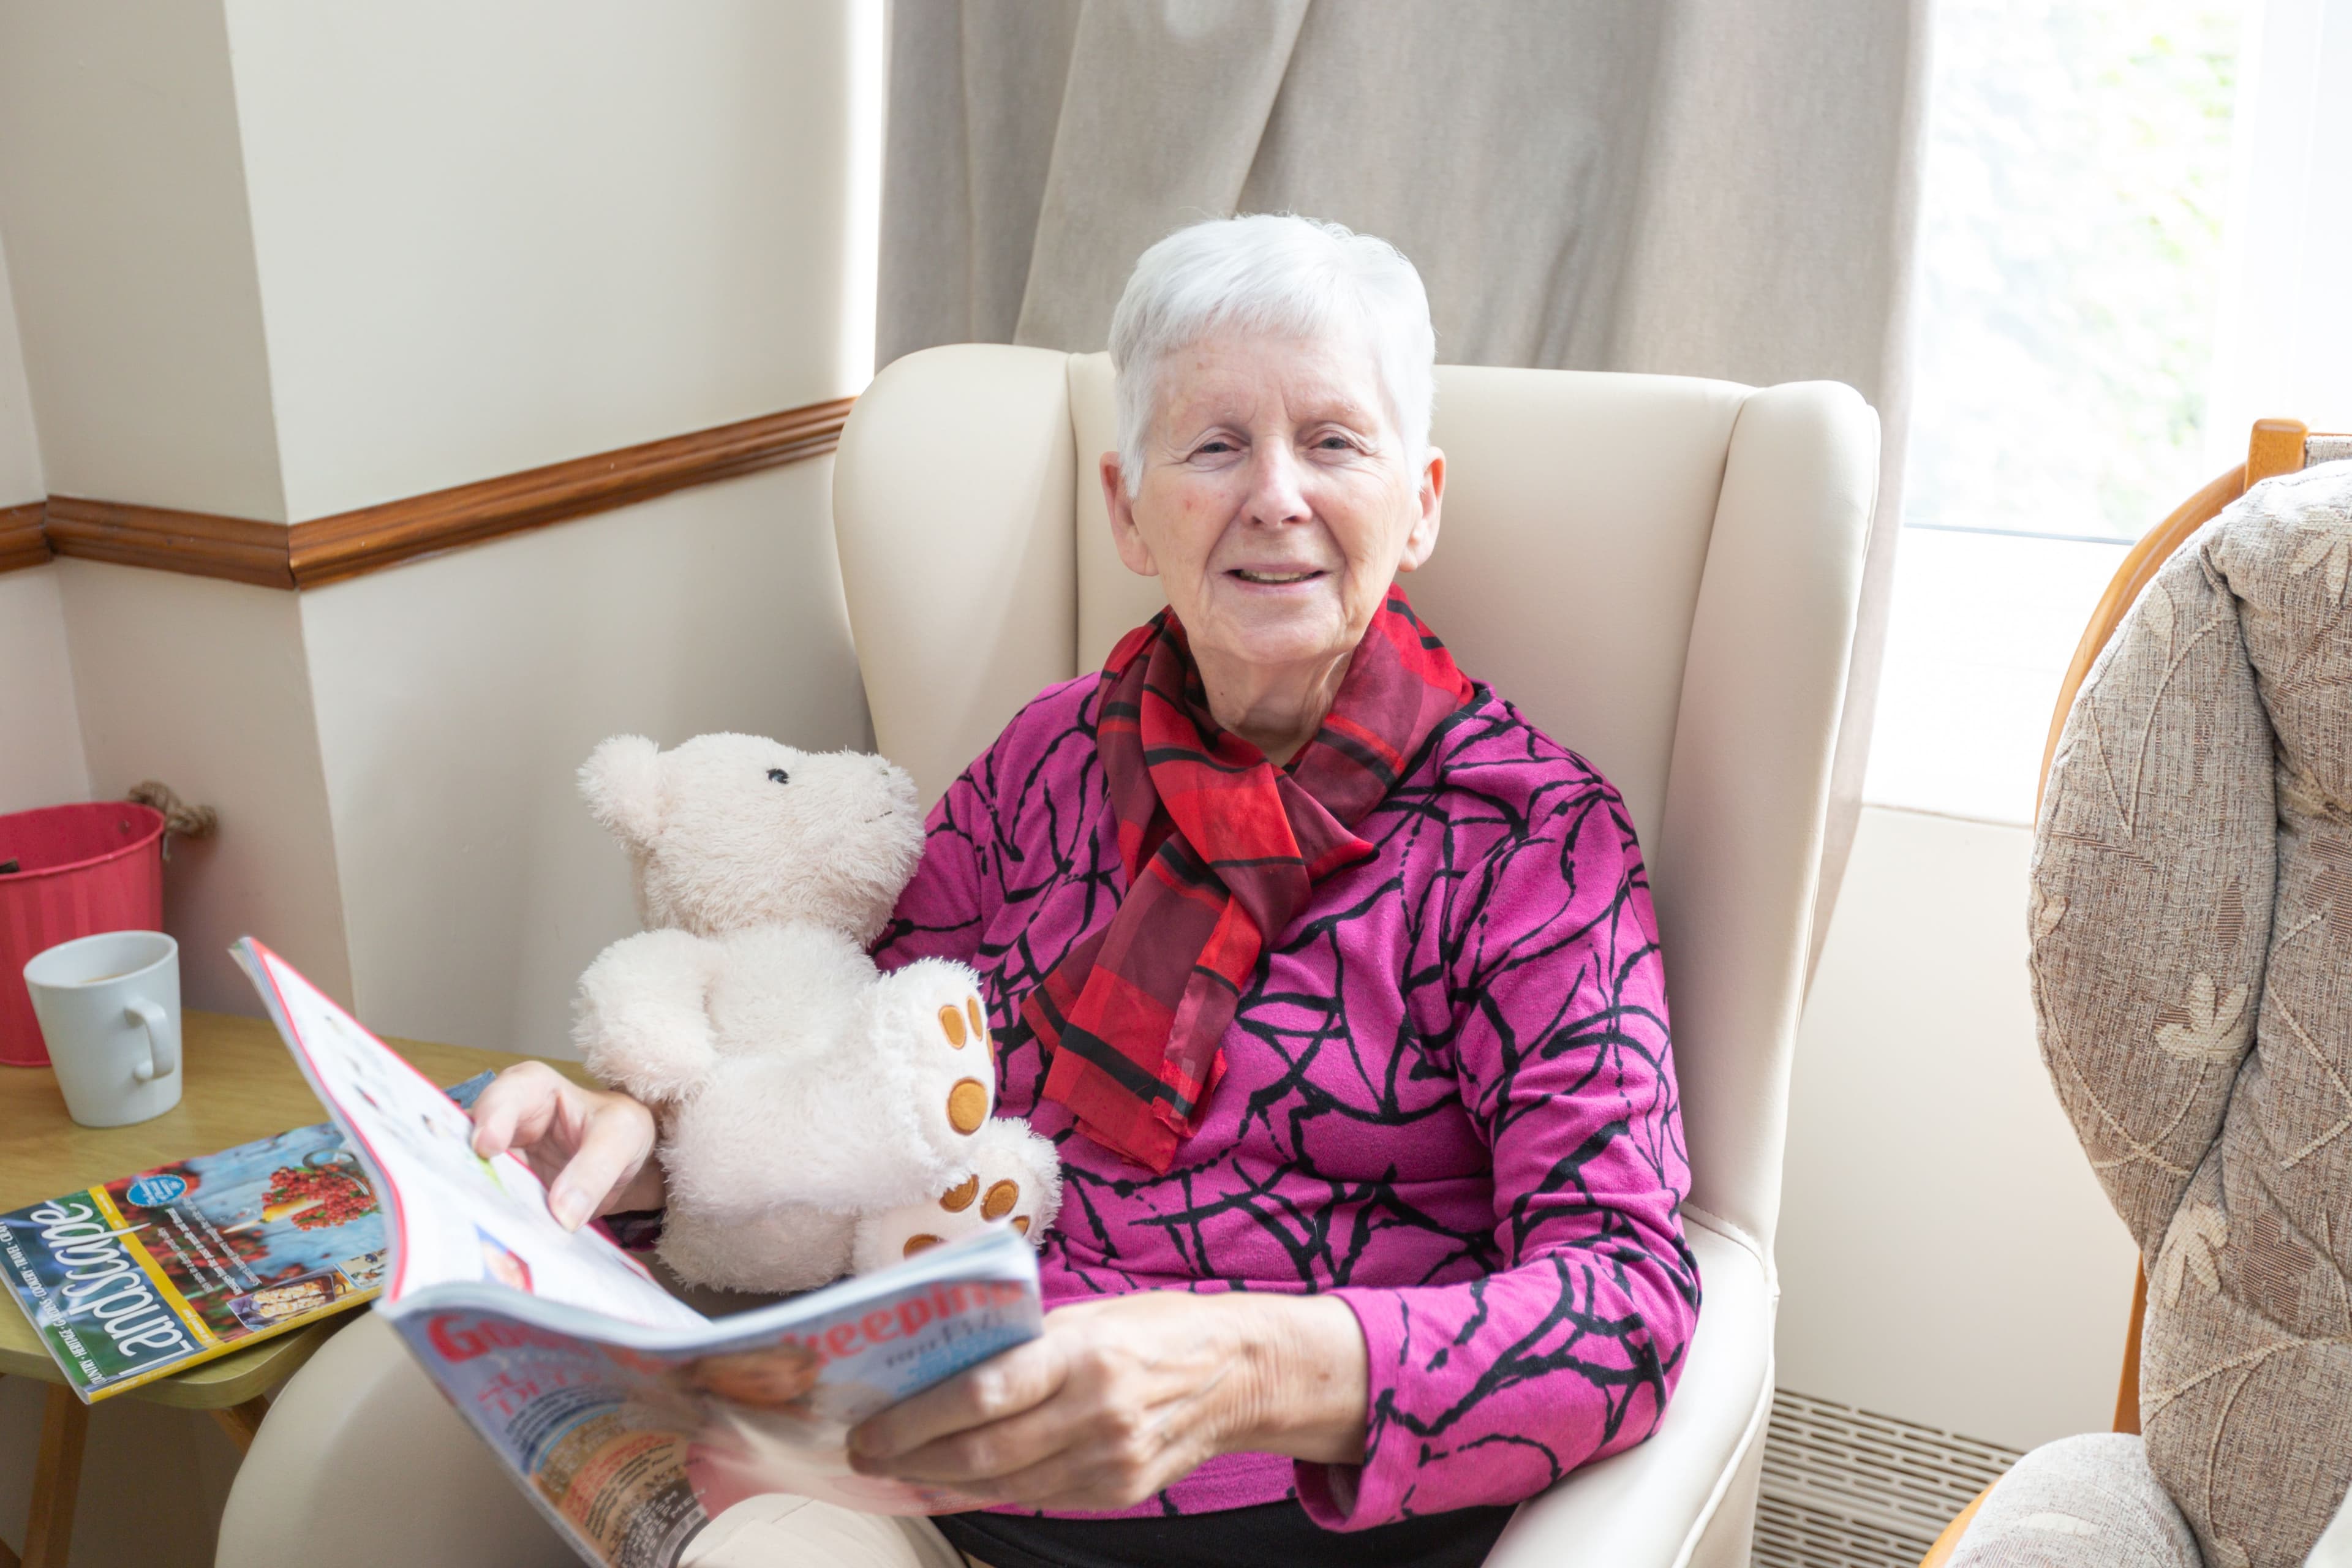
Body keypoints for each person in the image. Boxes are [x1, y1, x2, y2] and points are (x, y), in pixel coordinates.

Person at [471, 213, 1698, 1568]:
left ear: (1421, 502)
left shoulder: (1531, 838)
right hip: (926, 1454)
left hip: (1281, 1514)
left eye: (1336, 441)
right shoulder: (1052, 751)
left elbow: (1625, 1298)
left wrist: (1237, 1368)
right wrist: (641, 1132)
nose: (1278, 495)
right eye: (1217, 444)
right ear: (1127, 505)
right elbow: (853, 1054)